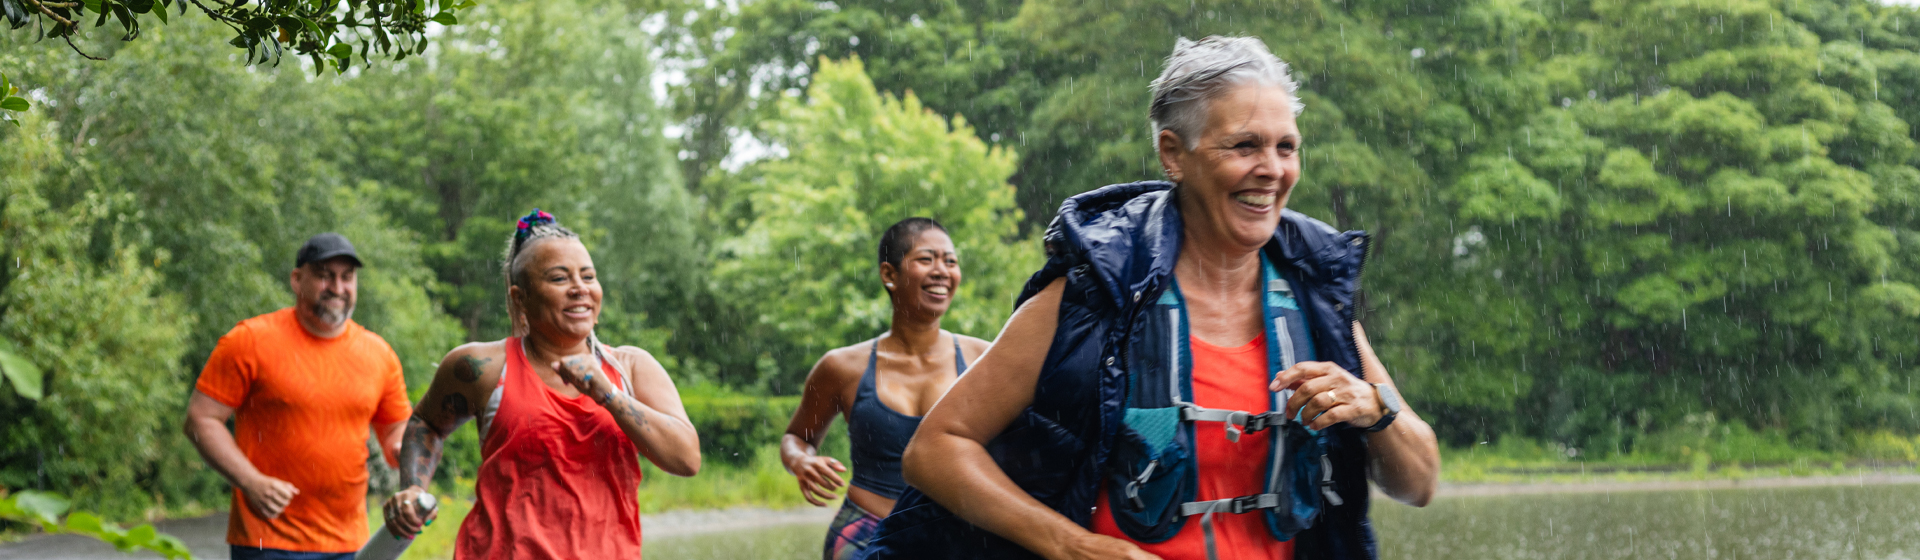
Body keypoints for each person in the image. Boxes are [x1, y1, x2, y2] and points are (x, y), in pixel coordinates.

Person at [857, 37, 1441, 560]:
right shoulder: (1092, 295)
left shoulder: (1316, 297)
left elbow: (1419, 483)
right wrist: (1071, 545)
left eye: (1286, 147)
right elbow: (934, 451)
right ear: (1173, 154)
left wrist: (1375, 408)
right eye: (1244, 145)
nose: (1272, 170)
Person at [378, 209, 701, 559]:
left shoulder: (631, 368)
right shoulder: (480, 367)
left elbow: (686, 459)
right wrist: (412, 487)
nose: (580, 289)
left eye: (588, 276)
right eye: (559, 278)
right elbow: (426, 423)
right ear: (521, 298)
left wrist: (609, 395)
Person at [184, 233, 413, 560]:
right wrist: (250, 481)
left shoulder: (379, 354)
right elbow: (200, 419)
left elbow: (395, 429)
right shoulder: (250, 340)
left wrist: (400, 449)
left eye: (347, 277)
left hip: (351, 544)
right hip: (267, 539)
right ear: (297, 279)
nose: (337, 287)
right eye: (324, 275)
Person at [779, 218, 991, 560]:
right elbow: (796, 438)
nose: (942, 271)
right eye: (926, 259)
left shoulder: (985, 359)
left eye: (950, 261)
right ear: (889, 275)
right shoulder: (842, 367)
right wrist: (801, 461)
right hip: (863, 532)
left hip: (955, 537)